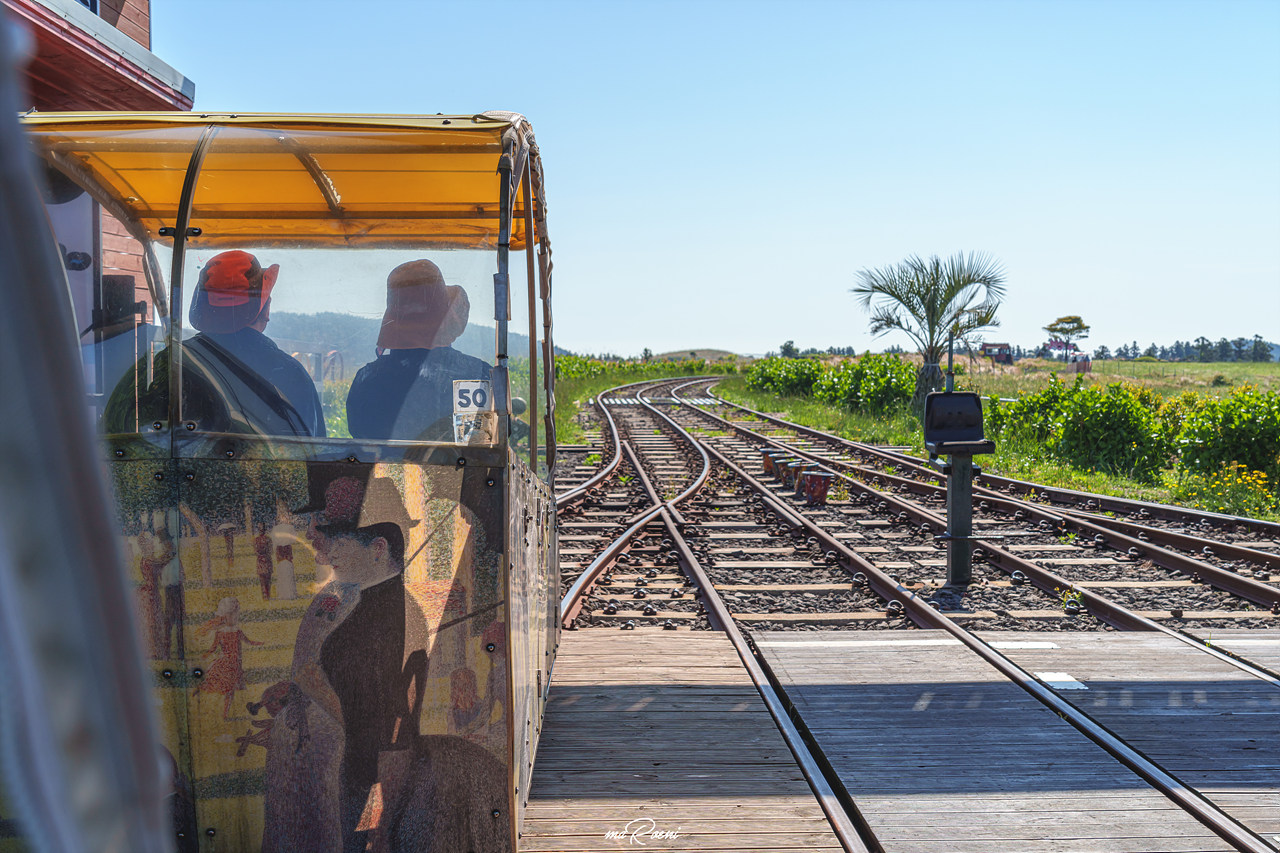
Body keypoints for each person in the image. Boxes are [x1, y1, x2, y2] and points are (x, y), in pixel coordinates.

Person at [104, 250, 325, 438]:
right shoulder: (290, 373)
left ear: (204, 308)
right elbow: (315, 453)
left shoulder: (171, 363)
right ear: (265, 311)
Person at [345, 260, 491, 442]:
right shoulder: (479, 375)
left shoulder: (367, 379)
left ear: (392, 318)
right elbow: (492, 435)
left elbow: (359, 433)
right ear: (446, 317)